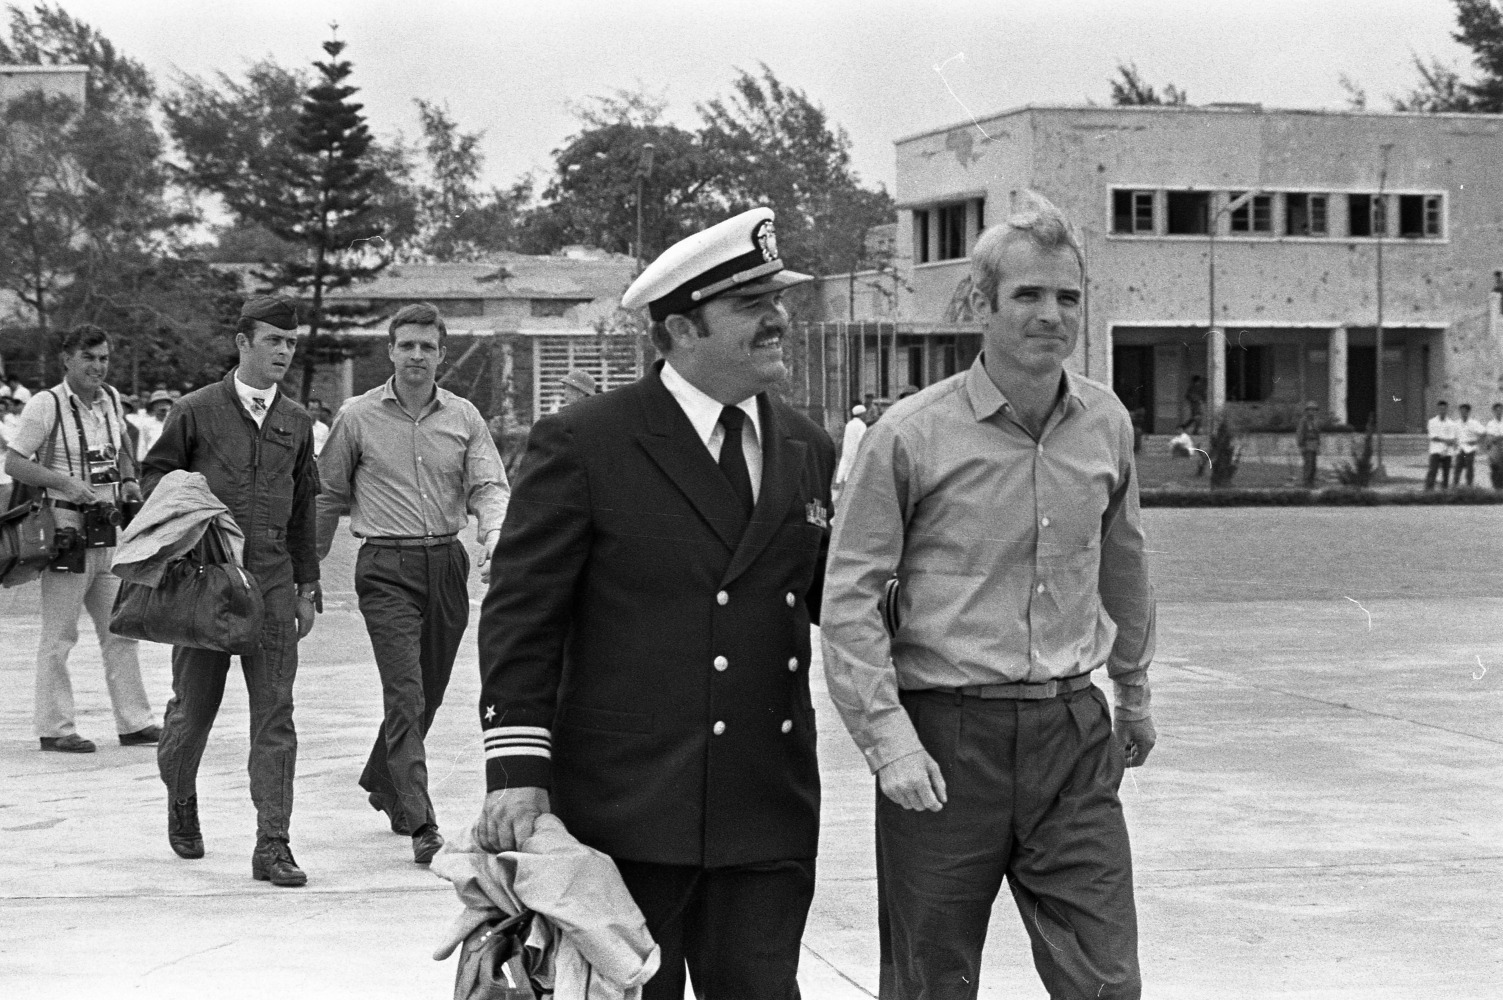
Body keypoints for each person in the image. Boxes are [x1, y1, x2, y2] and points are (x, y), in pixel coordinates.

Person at [473, 207, 835, 1000]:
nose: (777, 319)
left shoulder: (807, 446)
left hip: (764, 804)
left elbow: (835, 599)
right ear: (679, 329)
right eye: (751, 305)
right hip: (626, 810)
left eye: (777, 300)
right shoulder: (586, 441)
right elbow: (522, 617)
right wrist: (517, 770)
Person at [821, 195, 1156, 1000]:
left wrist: (1133, 693)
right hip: (945, 739)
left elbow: (1123, 563)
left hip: (1070, 734)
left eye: (1066, 297)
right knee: (930, 980)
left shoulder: (1104, 421)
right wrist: (889, 742)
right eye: (1027, 295)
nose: (1050, 315)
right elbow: (849, 599)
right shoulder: (909, 435)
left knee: (1106, 981)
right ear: (980, 302)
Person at [316, 302, 510, 866]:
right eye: (407, 345)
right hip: (385, 567)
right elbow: (328, 494)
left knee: (431, 687)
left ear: (442, 355)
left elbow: (489, 486)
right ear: (391, 352)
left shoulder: (465, 417)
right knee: (405, 692)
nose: (417, 355)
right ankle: (420, 819)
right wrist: (306, 571)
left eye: (428, 346)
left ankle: (385, 780)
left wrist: (495, 534)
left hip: (446, 565)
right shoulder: (356, 417)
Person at [143, 295, 322, 887]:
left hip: (271, 581)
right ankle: (180, 792)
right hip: (209, 582)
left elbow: (304, 507)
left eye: (290, 342)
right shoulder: (195, 411)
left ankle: (273, 842)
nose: (284, 351)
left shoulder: (296, 421)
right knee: (193, 711)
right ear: (243, 343)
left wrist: (307, 586)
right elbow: (155, 477)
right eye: (274, 340)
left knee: (276, 714)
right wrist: (192, 515)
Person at [5, 325, 158, 754]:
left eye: (104, 358)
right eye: (89, 358)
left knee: (120, 630)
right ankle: (55, 727)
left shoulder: (110, 400)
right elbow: (15, 463)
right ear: (67, 359)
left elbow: (122, 445)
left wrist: (129, 480)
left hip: (107, 531)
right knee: (59, 636)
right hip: (66, 530)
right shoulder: (46, 404)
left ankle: (135, 722)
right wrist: (66, 483)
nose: (98, 366)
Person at [834, 403, 869, 495]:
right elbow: (862, 439)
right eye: (865, 414)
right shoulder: (862, 425)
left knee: (845, 464)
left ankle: (839, 483)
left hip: (847, 449)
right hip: (856, 450)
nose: (866, 416)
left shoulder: (849, 424)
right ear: (861, 414)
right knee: (853, 468)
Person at [1425, 400, 1458, 491]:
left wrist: (1447, 442)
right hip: (1435, 450)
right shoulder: (1432, 422)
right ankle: (1428, 491)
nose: (1442, 411)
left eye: (1444, 409)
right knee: (1433, 470)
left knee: (1446, 473)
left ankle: (1444, 491)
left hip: (1447, 451)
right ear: (1438, 409)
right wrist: (1445, 440)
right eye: (1440, 409)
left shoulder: (1451, 423)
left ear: (1447, 409)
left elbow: (1452, 439)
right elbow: (1433, 437)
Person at [134, 388, 172, 462]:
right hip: (153, 461)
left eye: (165, 403)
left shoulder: (173, 422)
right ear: (153, 407)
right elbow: (142, 445)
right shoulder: (147, 423)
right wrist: (142, 461)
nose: (162, 407)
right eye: (158, 404)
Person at [1453, 403, 1484, 487]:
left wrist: (1476, 441)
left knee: (1469, 468)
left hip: (1470, 449)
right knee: (1457, 468)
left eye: (1465, 411)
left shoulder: (1474, 423)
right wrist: (1454, 444)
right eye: (1461, 411)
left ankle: (1469, 486)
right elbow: (1454, 436)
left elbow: (1483, 433)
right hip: (1460, 449)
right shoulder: (1456, 423)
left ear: (1468, 412)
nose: (1463, 413)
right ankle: (1455, 486)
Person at [1295, 401, 1322, 487]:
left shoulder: (1316, 421)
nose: (1313, 411)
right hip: (1306, 443)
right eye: (1311, 409)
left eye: (1315, 410)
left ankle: (1311, 482)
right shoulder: (1303, 421)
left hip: (1314, 444)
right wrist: (1301, 445)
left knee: (1313, 465)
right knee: (1308, 464)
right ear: (1307, 410)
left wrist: (1318, 445)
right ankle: (1306, 482)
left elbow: (1317, 434)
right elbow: (1300, 433)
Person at [1484, 402, 1503, 490]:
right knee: (1495, 468)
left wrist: (1497, 437)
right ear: (1494, 411)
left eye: (1500, 410)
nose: (1499, 412)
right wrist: (1499, 437)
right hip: (1495, 449)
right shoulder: (1490, 424)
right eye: (1497, 410)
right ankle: (1496, 488)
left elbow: (1495, 437)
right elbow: (1491, 438)